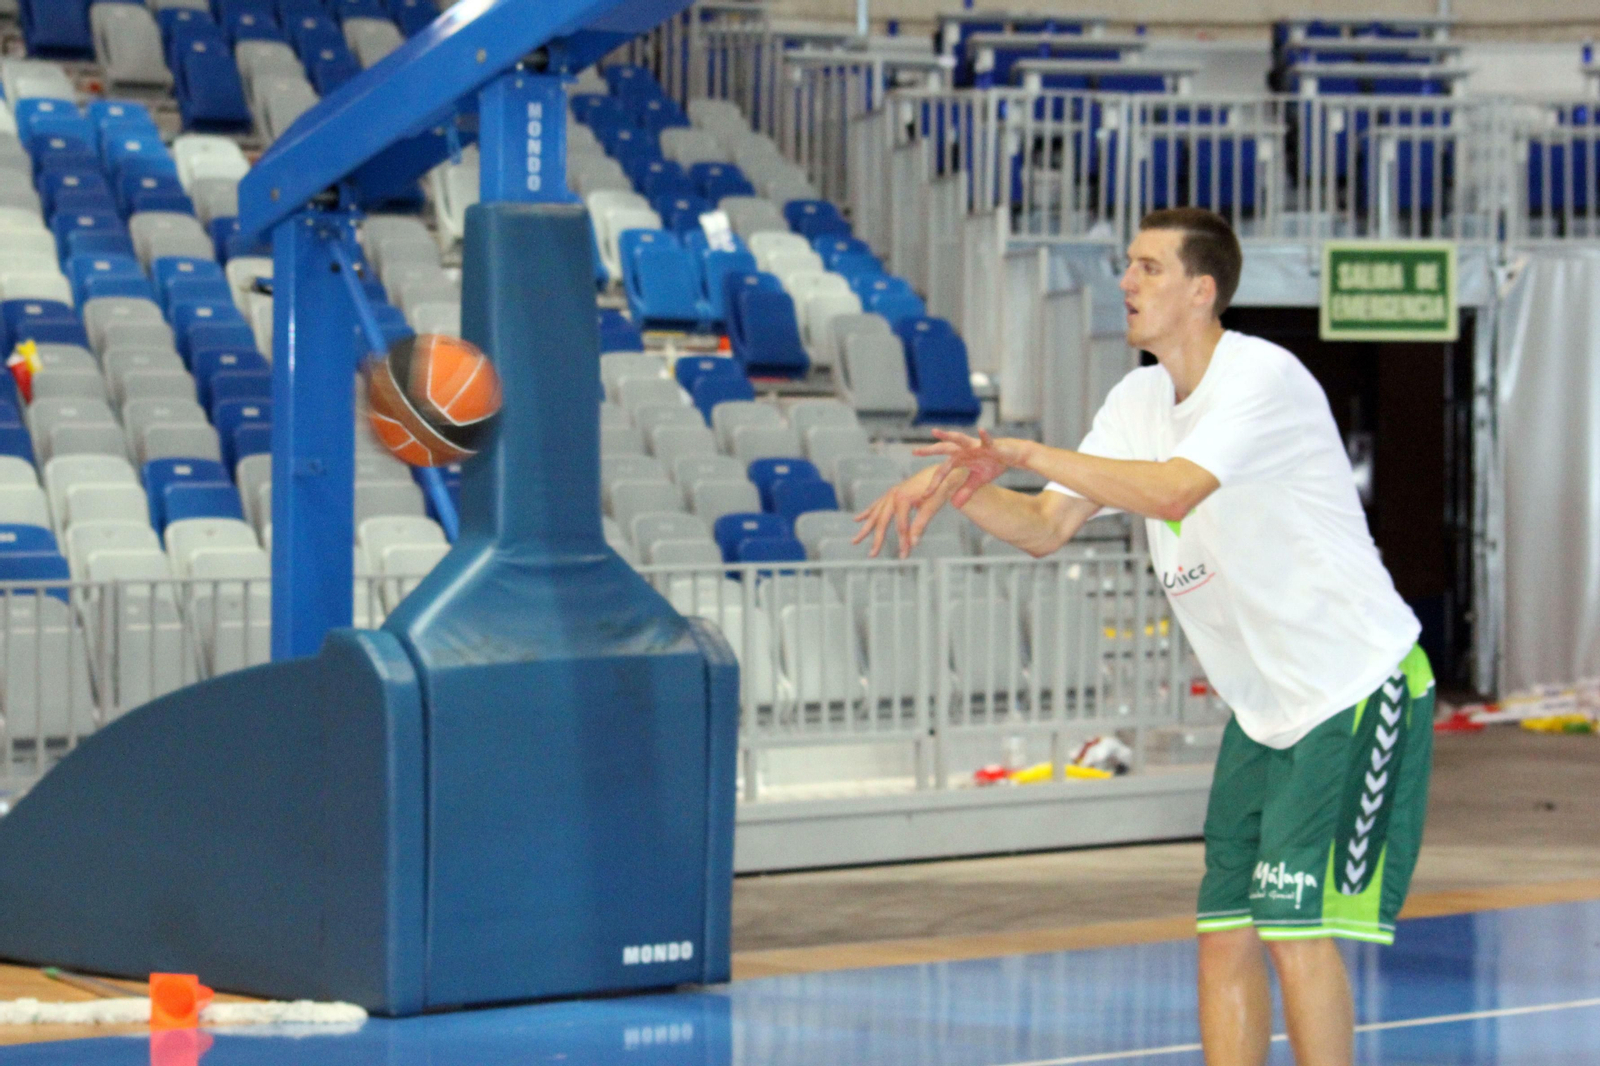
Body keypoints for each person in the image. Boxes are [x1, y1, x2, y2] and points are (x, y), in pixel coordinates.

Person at [853, 208, 1434, 1066]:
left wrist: (1022, 446)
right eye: (1127, 264)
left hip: (1351, 688)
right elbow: (1049, 525)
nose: (1125, 281)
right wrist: (966, 487)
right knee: (1223, 934)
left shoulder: (1261, 377)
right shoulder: (1135, 397)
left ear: (1203, 292)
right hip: (1265, 712)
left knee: (1294, 931)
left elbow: (1170, 493)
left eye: (1148, 267)